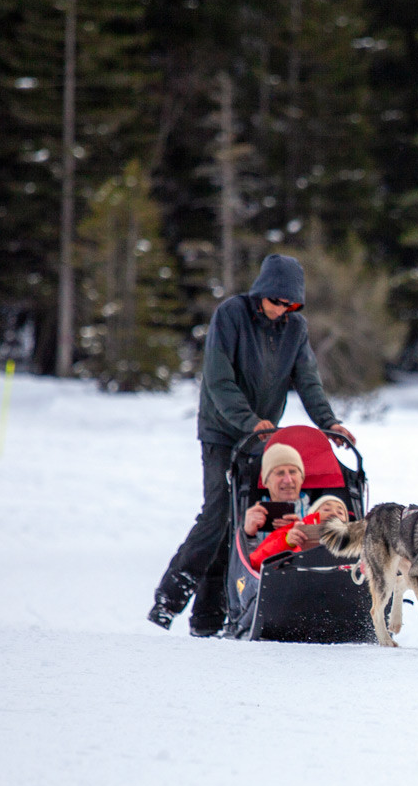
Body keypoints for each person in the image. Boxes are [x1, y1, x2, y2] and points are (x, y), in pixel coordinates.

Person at [150, 254, 358, 635]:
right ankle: (169, 599)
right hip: (222, 430)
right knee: (216, 515)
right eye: (277, 301)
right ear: (262, 293)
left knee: (244, 522)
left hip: (261, 437)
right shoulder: (232, 314)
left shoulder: (295, 328)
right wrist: (250, 422)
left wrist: (329, 423)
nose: (282, 310)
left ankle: (210, 617)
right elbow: (217, 379)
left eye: (290, 304)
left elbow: (307, 380)